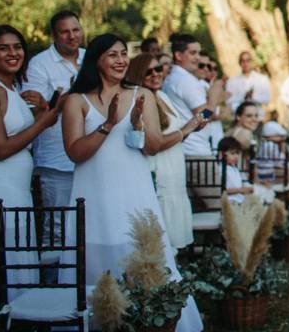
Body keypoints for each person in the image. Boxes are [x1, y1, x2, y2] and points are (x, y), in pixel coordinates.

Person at [60, 33, 202, 331]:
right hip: (93, 189)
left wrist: (136, 123)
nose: (121, 60)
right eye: (113, 55)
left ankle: (154, 320)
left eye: (124, 53)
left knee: (142, 248)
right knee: (98, 252)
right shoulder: (76, 100)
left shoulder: (142, 95)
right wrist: (109, 123)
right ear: (96, 59)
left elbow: (150, 146)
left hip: (133, 187)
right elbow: (75, 152)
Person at [0, 25, 60, 323]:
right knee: (0, 254)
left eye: (17, 47)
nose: (13, 53)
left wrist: (41, 111)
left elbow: (22, 137)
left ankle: (21, 317)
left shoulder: (14, 90)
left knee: (18, 250)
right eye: (3, 48)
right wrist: (44, 122)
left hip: (18, 186)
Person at [126, 53, 203, 250]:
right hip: (160, 173)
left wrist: (193, 126)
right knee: (163, 238)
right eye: (148, 72)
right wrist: (185, 129)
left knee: (176, 238)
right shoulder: (142, 100)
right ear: (137, 75)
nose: (155, 74)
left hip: (175, 170)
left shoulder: (162, 95)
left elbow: (174, 134)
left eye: (158, 69)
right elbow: (155, 144)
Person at [22, 10, 85, 244]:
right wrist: (64, 98)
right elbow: (34, 111)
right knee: (57, 228)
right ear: (53, 35)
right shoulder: (39, 64)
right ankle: (53, 280)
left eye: (76, 29)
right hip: (56, 160)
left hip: (91, 156)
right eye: (65, 31)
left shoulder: (91, 58)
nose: (72, 36)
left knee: (88, 226)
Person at [163, 33, 224, 158]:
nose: (198, 58)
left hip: (185, 149)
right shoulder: (186, 80)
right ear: (178, 55)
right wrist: (213, 98)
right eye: (193, 53)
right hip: (195, 151)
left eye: (198, 53)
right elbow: (203, 117)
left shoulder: (172, 77)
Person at [218, 137, 252, 204]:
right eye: (232, 153)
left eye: (237, 153)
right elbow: (222, 190)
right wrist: (241, 190)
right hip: (230, 200)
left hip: (239, 199)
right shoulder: (221, 169)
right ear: (221, 154)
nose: (236, 156)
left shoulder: (235, 168)